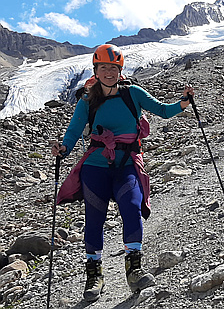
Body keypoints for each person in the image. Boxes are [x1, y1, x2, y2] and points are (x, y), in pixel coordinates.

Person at [51, 44, 194, 302]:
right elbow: (74, 131)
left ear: (120, 70)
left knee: (131, 206)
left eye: (113, 68)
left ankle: (134, 269)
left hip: (126, 163)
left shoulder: (133, 93)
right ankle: (94, 275)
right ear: (96, 70)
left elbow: (161, 109)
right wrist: (64, 148)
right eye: (103, 67)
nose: (108, 72)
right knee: (94, 218)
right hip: (95, 166)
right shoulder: (87, 100)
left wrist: (182, 103)